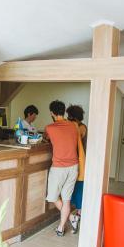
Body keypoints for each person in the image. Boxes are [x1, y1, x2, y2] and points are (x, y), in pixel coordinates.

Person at [44, 100, 79, 236]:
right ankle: (62, 226)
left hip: (59, 167)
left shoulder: (50, 128)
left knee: (52, 197)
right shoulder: (73, 126)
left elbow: (44, 139)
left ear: (52, 113)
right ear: (63, 111)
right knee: (66, 199)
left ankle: (69, 220)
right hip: (74, 166)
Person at [66, 105, 87, 233]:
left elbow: (74, 138)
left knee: (79, 187)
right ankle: (77, 213)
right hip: (74, 161)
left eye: (69, 116)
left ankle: (79, 214)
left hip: (80, 161)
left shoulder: (81, 127)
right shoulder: (75, 126)